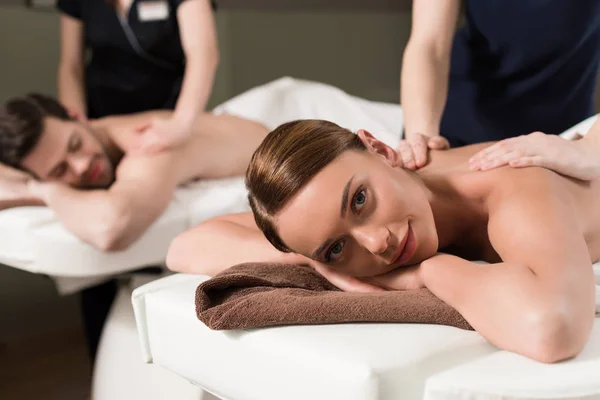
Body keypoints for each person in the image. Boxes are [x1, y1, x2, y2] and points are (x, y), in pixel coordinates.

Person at [167, 119, 600, 363]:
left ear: (381, 149)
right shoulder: (335, 214)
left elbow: (553, 330)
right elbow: (184, 247)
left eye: (359, 200)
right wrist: (315, 261)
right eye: (337, 247)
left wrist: (430, 272)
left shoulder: (512, 186)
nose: (377, 244)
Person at [0, 93, 267, 360]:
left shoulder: (148, 143)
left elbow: (110, 228)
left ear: (78, 117)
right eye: (59, 171)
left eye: (75, 144)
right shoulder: (99, 134)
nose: (80, 165)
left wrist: (40, 188)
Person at [397, 0, 600, 169]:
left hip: (563, 131)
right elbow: (429, 44)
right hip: (453, 122)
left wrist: (589, 149)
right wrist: (422, 139)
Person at [57, 0, 218, 152]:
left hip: (164, 120)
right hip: (101, 124)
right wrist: (77, 125)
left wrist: (182, 124)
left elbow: (203, 56)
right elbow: (71, 65)